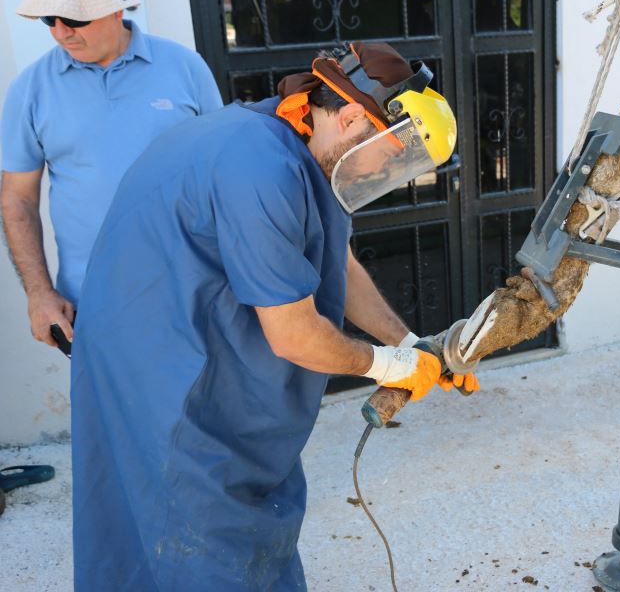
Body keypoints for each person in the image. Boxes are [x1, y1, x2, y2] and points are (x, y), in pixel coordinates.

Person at [70, 41, 478, 591]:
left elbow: (338, 263)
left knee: (254, 508)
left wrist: (411, 344)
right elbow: (293, 336)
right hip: (155, 364)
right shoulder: (258, 165)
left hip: (197, 336)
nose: (390, 170)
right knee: (196, 526)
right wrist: (389, 366)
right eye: (393, 154)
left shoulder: (307, 147)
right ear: (352, 116)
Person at [0, 0, 222, 349]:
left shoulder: (185, 66)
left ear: (116, 10)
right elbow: (17, 199)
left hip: (196, 291)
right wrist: (39, 293)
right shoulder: (29, 88)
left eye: (75, 20)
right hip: (93, 302)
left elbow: (222, 175)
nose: (61, 32)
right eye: (50, 20)